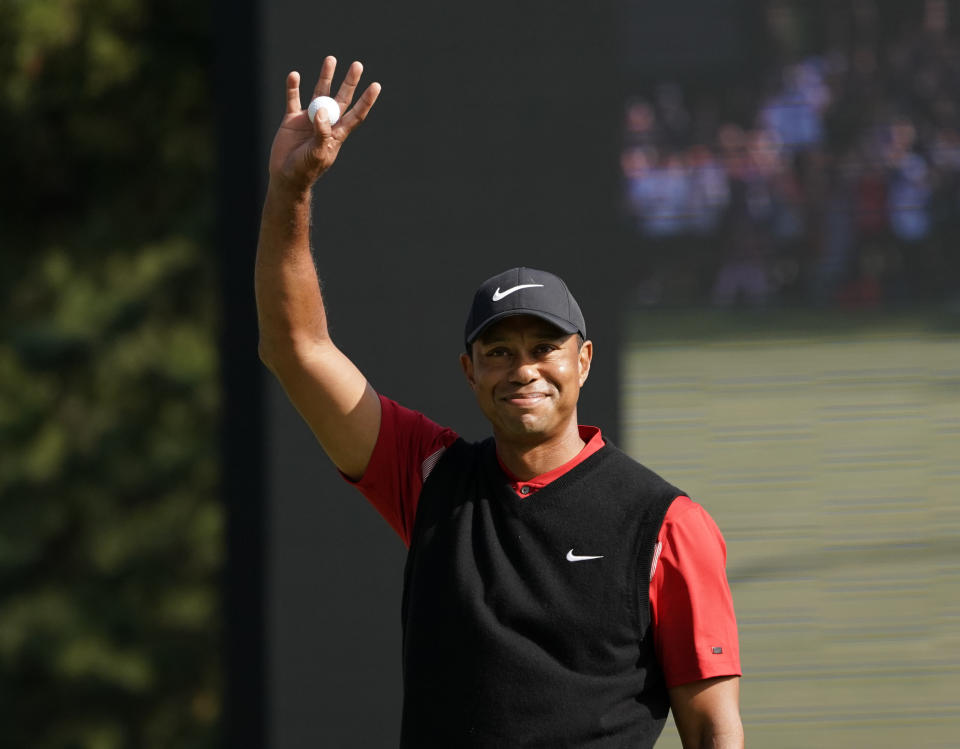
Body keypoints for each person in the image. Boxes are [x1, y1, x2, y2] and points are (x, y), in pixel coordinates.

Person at [256, 57, 744, 748]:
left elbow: (713, 729)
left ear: (584, 359)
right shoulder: (432, 480)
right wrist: (289, 192)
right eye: (499, 350)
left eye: (544, 346)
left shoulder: (666, 523)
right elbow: (296, 348)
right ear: (469, 370)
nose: (524, 368)